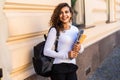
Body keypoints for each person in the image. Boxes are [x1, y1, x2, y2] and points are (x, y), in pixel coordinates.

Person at [44, 3, 84, 80]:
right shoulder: (54, 30)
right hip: (58, 68)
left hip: (72, 66)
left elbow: (79, 47)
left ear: (71, 14)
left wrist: (80, 48)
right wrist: (66, 55)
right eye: (61, 13)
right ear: (58, 16)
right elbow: (46, 51)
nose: (64, 15)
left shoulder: (75, 29)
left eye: (66, 12)